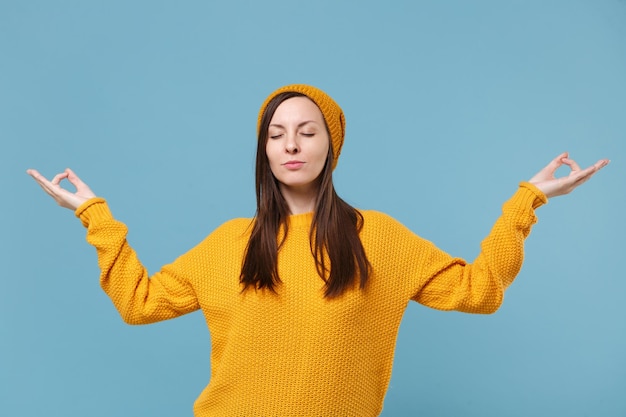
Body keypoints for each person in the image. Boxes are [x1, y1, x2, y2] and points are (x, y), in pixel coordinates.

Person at [27, 84, 609, 416]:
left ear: (332, 143)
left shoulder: (377, 237)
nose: (292, 145)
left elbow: (478, 293)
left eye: (307, 131)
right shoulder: (232, 243)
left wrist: (527, 201)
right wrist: (93, 214)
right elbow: (139, 302)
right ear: (264, 151)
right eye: (277, 135)